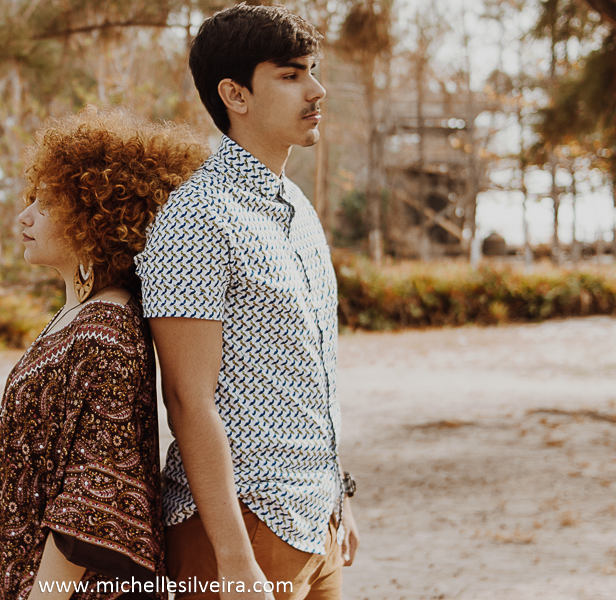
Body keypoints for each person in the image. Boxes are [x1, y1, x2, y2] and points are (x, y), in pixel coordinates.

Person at [134, 5, 360, 600]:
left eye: (312, 70)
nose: (317, 90)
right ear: (234, 93)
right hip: (240, 531)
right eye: (290, 75)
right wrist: (234, 558)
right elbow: (187, 398)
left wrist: (339, 498)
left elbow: (313, 376)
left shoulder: (299, 210)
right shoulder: (197, 217)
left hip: (318, 525)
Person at [0, 107, 209, 600]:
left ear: (98, 219)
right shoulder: (75, 316)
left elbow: (95, 498)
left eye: (46, 205)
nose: (24, 216)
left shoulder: (108, 332)